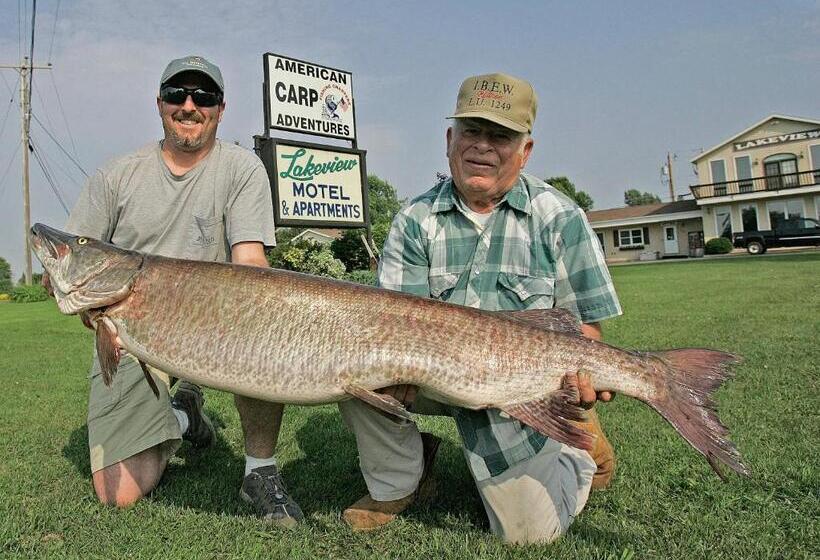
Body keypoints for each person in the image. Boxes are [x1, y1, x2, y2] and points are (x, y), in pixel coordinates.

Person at [338, 72, 622, 544]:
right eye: (472, 131)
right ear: (450, 140)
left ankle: (578, 448)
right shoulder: (414, 220)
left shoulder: (562, 218)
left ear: (525, 150)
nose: (483, 146)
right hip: (430, 375)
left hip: (522, 387)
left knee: (528, 535)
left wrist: (572, 388)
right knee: (349, 365)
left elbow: (587, 331)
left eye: (501, 135)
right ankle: (400, 480)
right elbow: (391, 326)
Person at [64, 55, 302, 527]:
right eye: (178, 95)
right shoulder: (117, 175)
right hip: (133, 336)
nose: (189, 106)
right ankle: (185, 419)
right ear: (159, 104)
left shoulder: (243, 168)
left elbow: (251, 261)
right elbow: (76, 261)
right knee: (120, 494)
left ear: (219, 108)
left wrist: (255, 315)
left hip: (218, 324)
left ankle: (260, 470)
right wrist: (95, 314)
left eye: (204, 97)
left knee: (262, 324)